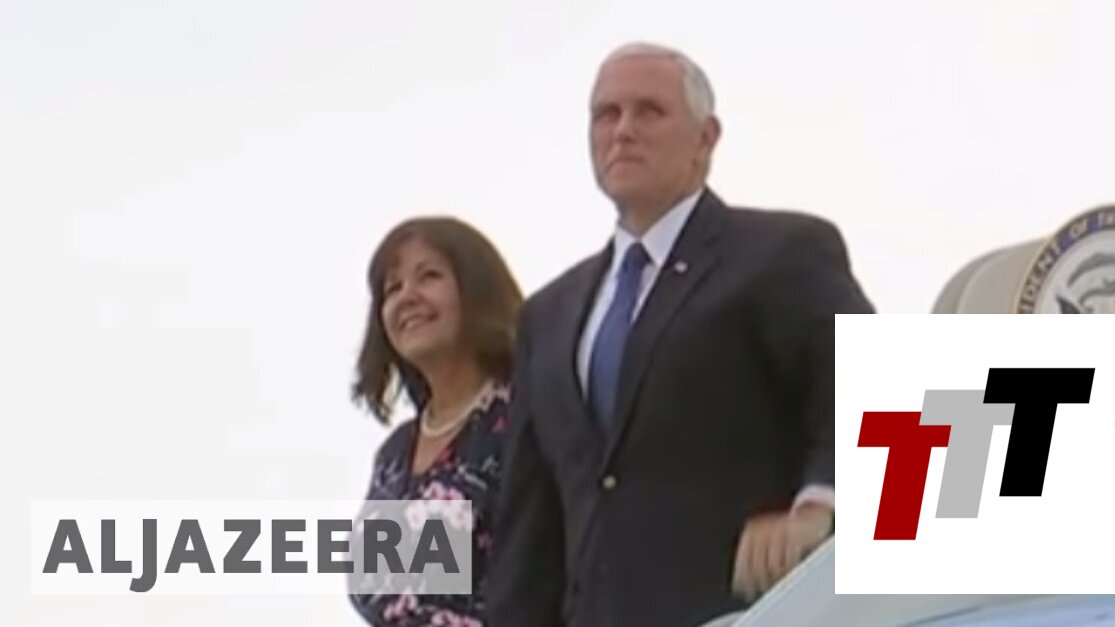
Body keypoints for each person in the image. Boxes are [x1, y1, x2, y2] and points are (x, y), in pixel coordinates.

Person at [486, 42, 875, 627]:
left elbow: (872, 383)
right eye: (606, 114)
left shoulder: (780, 253)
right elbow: (530, 529)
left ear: (705, 138)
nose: (623, 130)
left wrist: (821, 504)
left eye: (649, 111)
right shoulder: (548, 315)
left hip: (753, 613)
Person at [348, 216, 523, 626]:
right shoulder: (394, 456)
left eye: (428, 276)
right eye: (392, 288)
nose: (407, 297)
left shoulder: (526, 417)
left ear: (477, 290)